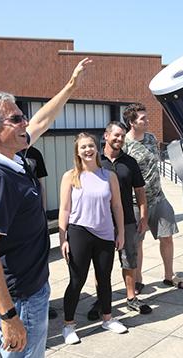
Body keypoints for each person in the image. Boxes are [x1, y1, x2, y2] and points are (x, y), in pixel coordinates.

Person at [0, 57, 92, 358]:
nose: (25, 123)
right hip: (20, 297)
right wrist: (9, 317)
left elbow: (42, 121)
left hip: (32, 288)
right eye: (16, 119)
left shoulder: (13, 153)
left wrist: (71, 87)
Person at [59, 132, 128, 345]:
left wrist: (121, 232)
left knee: (104, 279)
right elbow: (64, 209)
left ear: (97, 148)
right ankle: (68, 325)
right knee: (77, 280)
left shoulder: (109, 176)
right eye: (83, 147)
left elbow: (117, 206)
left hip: (105, 234)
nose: (88, 150)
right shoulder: (70, 176)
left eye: (91, 146)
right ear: (77, 152)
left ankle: (107, 318)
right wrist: (63, 238)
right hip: (79, 232)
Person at [87, 122, 152, 320]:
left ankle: (131, 297)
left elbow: (140, 191)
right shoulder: (94, 161)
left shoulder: (130, 162)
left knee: (129, 258)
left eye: (123, 136)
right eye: (116, 135)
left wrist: (143, 216)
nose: (119, 139)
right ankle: (101, 300)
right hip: (101, 221)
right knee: (101, 263)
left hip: (127, 220)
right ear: (106, 136)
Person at [122, 103, 183, 294]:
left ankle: (169, 275)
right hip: (136, 203)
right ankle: (138, 280)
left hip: (159, 197)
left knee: (167, 237)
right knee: (137, 242)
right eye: (143, 119)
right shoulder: (125, 145)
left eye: (146, 117)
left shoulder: (151, 138)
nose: (147, 121)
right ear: (132, 122)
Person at [24, 145, 58, 320]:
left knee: (40, 260)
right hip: (16, 221)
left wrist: (43, 214)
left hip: (36, 217)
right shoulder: (4, 152)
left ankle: (45, 302)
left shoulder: (34, 154)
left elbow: (40, 185)